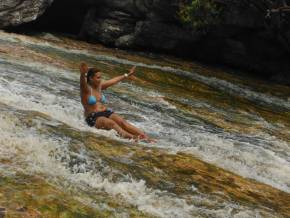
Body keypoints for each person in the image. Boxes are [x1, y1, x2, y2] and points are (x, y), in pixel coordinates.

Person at [79, 62, 154, 142]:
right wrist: (83, 73)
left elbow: (114, 80)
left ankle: (147, 138)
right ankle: (133, 138)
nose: (100, 79)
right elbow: (82, 83)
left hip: (105, 112)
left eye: (101, 77)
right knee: (111, 123)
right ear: (91, 78)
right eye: (98, 78)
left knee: (123, 122)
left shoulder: (99, 86)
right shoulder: (86, 90)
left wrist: (126, 75)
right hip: (93, 117)